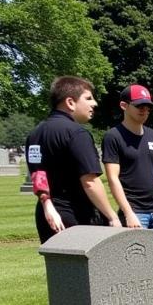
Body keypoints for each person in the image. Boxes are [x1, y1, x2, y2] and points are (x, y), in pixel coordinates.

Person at [26, 76, 120, 244]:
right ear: (70, 102)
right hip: (77, 214)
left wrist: (47, 204)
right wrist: (112, 216)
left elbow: (38, 176)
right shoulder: (77, 133)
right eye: (88, 98)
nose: (95, 104)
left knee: (59, 269)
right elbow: (90, 181)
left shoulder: (35, 134)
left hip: (47, 213)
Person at [101, 85, 153, 232]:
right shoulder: (113, 137)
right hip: (135, 212)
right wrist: (128, 213)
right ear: (124, 106)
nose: (145, 111)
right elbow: (113, 179)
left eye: (148, 107)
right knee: (136, 255)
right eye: (140, 106)